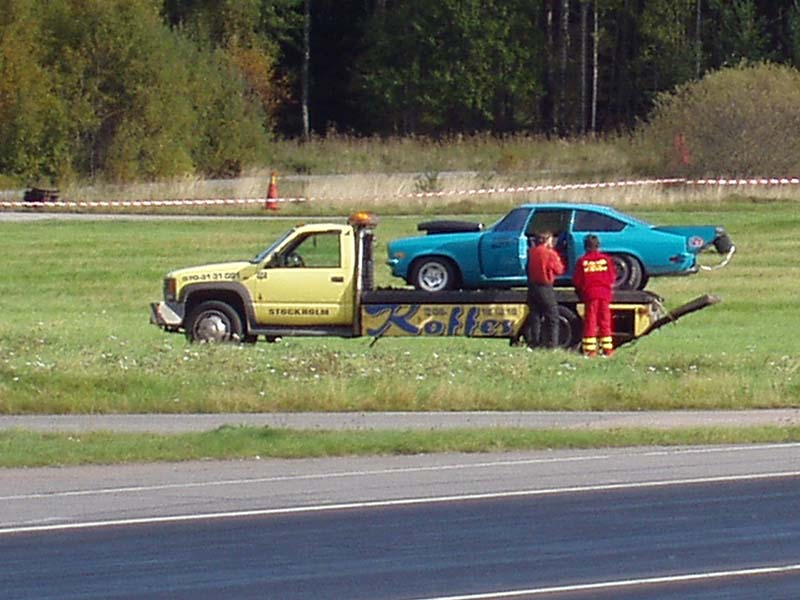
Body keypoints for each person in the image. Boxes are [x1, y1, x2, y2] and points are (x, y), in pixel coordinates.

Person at [573, 234, 617, 357]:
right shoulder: (606, 260)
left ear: (585, 246)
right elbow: (612, 276)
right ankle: (608, 349)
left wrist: (582, 289)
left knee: (591, 320)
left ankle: (590, 349)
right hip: (605, 293)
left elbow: (577, 280)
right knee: (605, 320)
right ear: (598, 246)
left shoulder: (583, 261)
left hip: (590, 294)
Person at [526, 231, 566, 349]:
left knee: (535, 316)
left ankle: (535, 343)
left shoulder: (531, 252)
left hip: (532, 287)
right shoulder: (549, 253)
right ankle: (552, 344)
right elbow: (559, 270)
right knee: (553, 316)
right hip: (545, 287)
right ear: (547, 240)